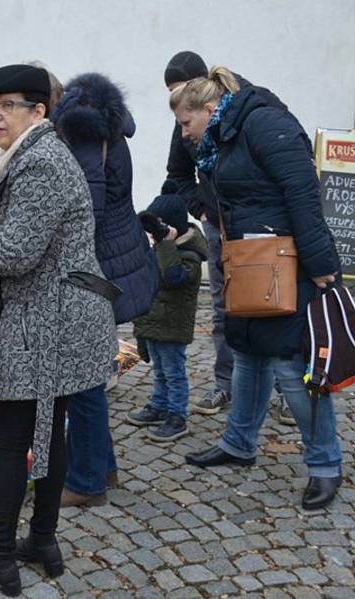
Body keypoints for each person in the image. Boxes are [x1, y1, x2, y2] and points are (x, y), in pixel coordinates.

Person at [0, 64, 116, 596]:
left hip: (50, 319)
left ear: (38, 111)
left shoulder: (40, 163)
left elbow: (16, 252)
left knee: (13, 438)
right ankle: (41, 540)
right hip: (56, 311)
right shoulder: (30, 156)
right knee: (47, 428)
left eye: (7, 105)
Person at [171, 66, 342, 510]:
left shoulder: (264, 123)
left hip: (286, 265)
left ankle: (325, 464)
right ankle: (239, 443)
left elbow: (303, 193)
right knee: (247, 354)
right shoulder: (225, 135)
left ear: (210, 109)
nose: (185, 136)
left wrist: (322, 265)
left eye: (187, 124)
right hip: (248, 263)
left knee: (291, 367)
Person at [163, 51, 298, 425]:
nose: (179, 109)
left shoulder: (255, 105)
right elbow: (177, 173)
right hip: (219, 225)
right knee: (226, 309)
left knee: (279, 305)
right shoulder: (185, 124)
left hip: (263, 230)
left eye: (182, 92)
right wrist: (202, 210)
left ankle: (289, 393)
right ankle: (226, 384)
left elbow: (289, 163)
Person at [51, 72, 159, 507]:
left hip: (94, 265)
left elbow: (86, 205)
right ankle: (104, 467)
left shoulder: (83, 129)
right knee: (90, 371)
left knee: (82, 378)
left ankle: (86, 481)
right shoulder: (108, 125)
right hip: (116, 256)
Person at [127, 182, 207, 441]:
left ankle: (177, 416)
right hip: (155, 324)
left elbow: (173, 278)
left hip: (173, 327)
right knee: (159, 370)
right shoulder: (159, 249)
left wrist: (167, 244)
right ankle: (159, 406)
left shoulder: (190, 257)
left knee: (174, 373)